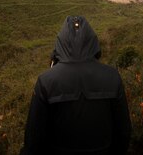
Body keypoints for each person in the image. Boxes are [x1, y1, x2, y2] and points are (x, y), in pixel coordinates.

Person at [20, 16, 132, 155]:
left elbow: (34, 137)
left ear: (60, 43)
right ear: (92, 41)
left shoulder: (46, 80)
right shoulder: (112, 76)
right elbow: (123, 131)